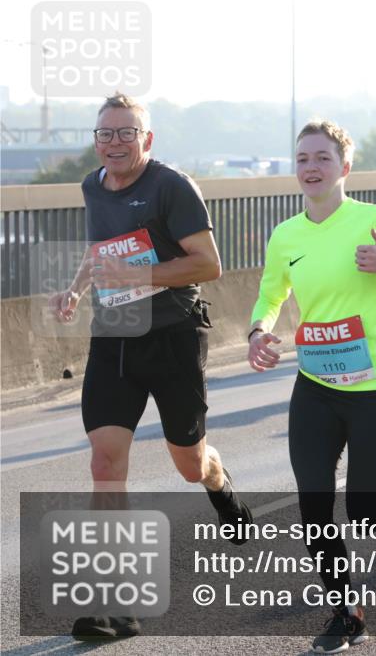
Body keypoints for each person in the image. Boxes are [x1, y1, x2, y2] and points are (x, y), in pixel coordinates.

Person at [49, 93, 253, 640]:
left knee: (189, 463)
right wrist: (74, 291)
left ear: (147, 138)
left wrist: (140, 278)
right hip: (115, 337)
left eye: (125, 132)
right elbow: (102, 253)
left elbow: (208, 264)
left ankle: (218, 482)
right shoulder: (93, 185)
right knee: (105, 463)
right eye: (104, 133)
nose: (114, 143)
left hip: (173, 337)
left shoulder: (171, 186)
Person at [247, 120, 376, 653]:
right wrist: (258, 331)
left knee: (366, 513)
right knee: (313, 507)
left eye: (322, 158)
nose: (311, 168)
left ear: (345, 167)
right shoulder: (286, 235)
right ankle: (346, 612)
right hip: (315, 387)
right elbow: (271, 295)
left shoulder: (374, 220)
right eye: (302, 159)